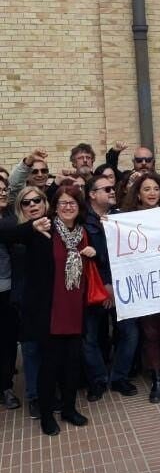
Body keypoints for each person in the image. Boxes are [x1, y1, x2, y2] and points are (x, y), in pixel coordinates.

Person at [0, 185, 97, 436]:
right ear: (55, 206)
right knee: (49, 365)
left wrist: (93, 253)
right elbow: (7, 234)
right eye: (62, 203)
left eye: (72, 203)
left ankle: (68, 408)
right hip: (49, 311)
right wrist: (30, 227)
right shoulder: (43, 228)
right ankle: (46, 415)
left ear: (79, 207)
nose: (67, 207)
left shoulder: (82, 232)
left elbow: (94, 262)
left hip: (75, 308)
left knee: (72, 364)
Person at [120, 173, 160, 402]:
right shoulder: (127, 219)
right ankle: (156, 378)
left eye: (156, 189)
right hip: (144, 286)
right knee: (151, 332)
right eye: (147, 189)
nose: (152, 193)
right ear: (138, 194)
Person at [83, 175, 139, 400]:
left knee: (130, 333)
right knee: (89, 338)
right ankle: (98, 380)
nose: (112, 191)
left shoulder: (121, 218)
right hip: (95, 288)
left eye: (113, 188)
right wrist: (106, 284)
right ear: (92, 194)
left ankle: (119, 378)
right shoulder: (82, 221)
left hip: (122, 288)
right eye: (106, 189)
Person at [12, 186, 49, 418]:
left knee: (49, 349)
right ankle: (34, 395)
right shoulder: (15, 231)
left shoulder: (56, 228)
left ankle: (48, 391)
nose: (33, 205)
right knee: (32, 350)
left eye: (37, 200)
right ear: (20, 208)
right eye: (26, 202)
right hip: (25, 305)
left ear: (45, 203)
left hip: (51, 301)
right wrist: (30, 228)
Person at [0, 176, 20, 411]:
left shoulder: (12, 219)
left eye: (4, 190)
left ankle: (6, 387)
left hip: (7, 289)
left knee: (7, 341)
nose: (3, 193)